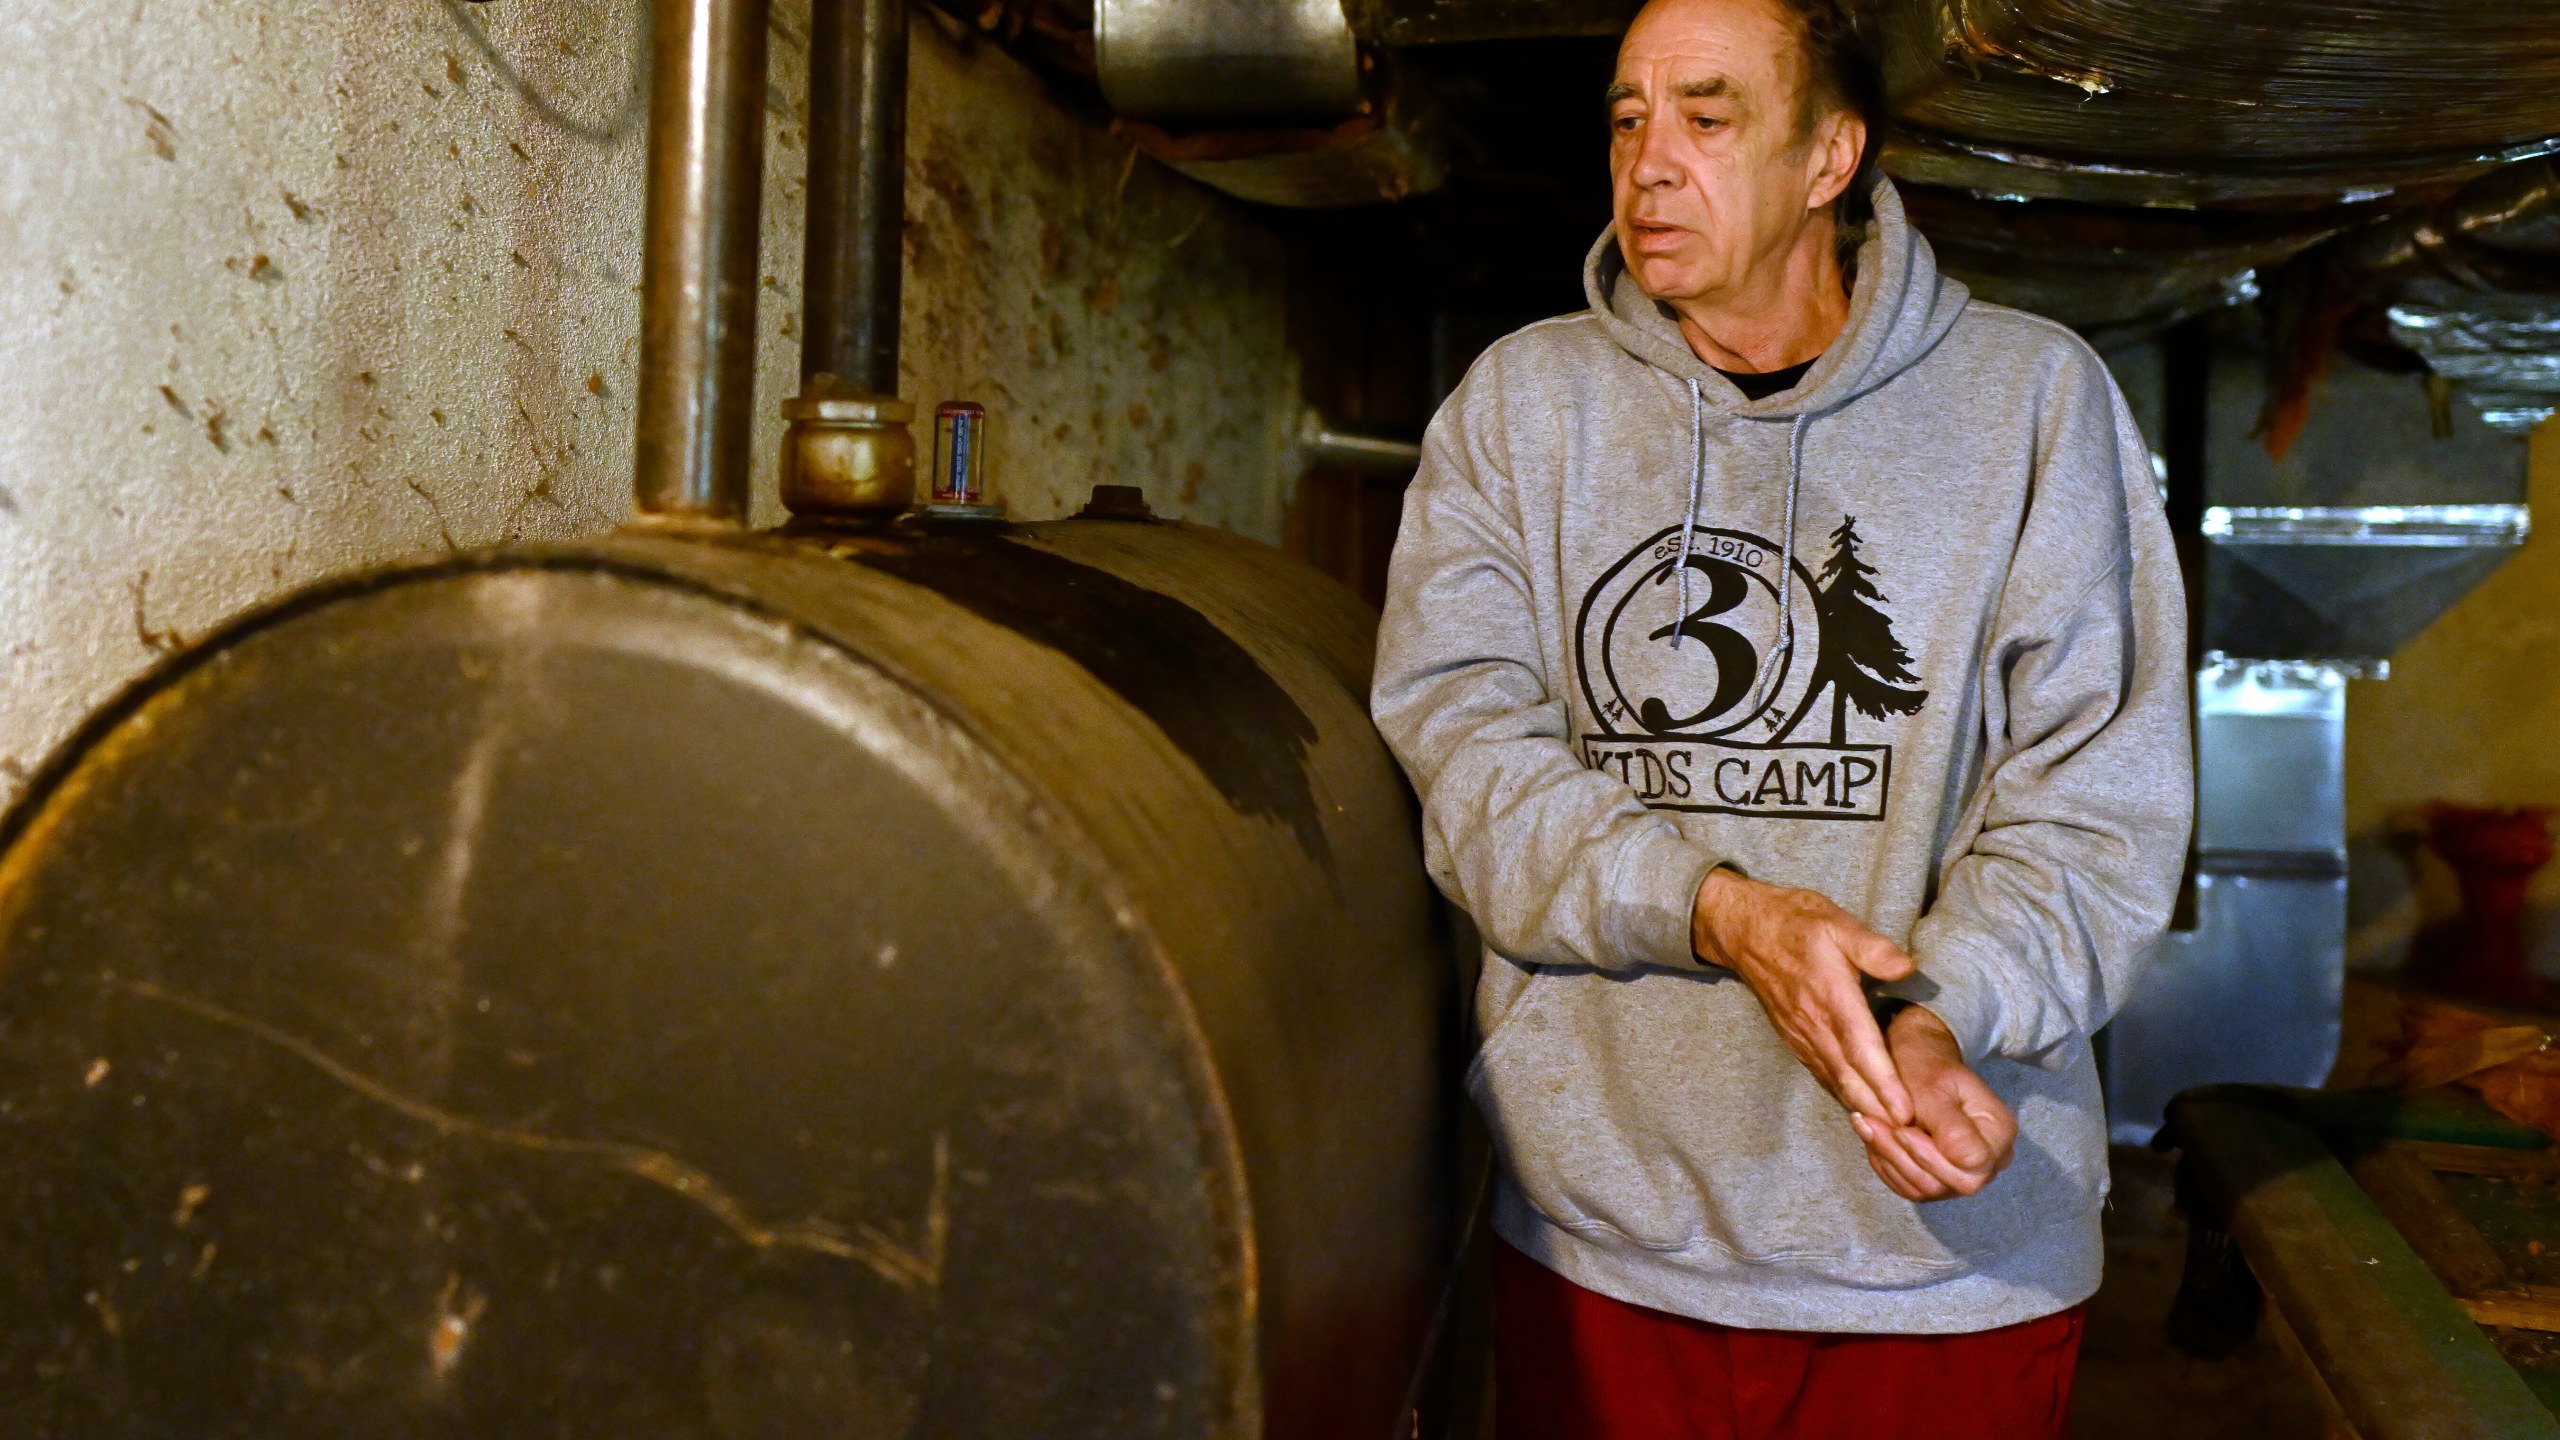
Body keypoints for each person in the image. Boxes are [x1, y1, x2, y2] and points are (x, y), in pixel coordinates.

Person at [1368, 0, 2193, 1434]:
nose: (1651, 163)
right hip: (1609, 1244)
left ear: (1830, 157)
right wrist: (1729, 916)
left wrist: (1938, 1018)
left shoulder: (2032, 404)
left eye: (1708, 114)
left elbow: (2094, 805)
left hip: (1944, 1262)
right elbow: (1471, 763)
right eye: (1628, 118)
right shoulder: (1520, 410)